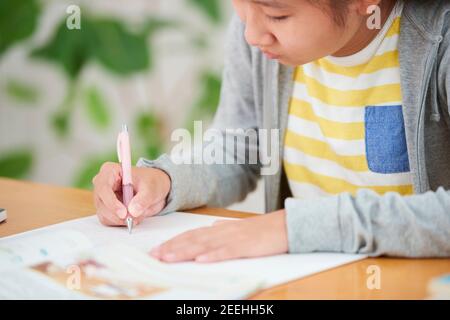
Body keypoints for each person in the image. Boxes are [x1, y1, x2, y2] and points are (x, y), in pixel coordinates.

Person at [93, 0, 450, 263]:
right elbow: (241, 149)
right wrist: (165, 181)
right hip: (307, 279)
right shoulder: (260, 35)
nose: (251, 33)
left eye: (278, 15)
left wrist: (292, 228)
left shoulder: (440, 40)